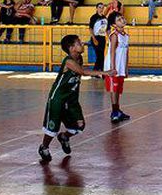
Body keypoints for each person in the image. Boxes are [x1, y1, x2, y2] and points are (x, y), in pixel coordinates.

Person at [38, 34, 113, 163]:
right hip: (58, 99)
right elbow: (82, 72)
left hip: (71, 99)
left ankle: (64, 137)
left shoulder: (79, 58)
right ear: (71, 48)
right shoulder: (69, 61)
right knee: (52, 128)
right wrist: (105, 72)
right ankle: (44, 147)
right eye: (79, 43)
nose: (82, 44)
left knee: (80, 125)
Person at [104, 12, 130, 123]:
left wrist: (126, 67)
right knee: (113, 89)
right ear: (114, 25)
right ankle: (114, 112)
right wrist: (112, 68)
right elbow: (112, 52)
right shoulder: (114, 35)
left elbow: (127, 52)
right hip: (113, 66)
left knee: (118, 89)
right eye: (119, 19)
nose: (122, 20)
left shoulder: (126, 35)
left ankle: (118, 110)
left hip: (121, 66)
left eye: (122, 18)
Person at [88, 3, 108, 71]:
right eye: (99, 7)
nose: (101, 9)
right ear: (96, 8)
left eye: (102, 7)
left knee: (101, 55)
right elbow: (90, 28)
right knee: (100, 55)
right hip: (96, 37)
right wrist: (94, 38)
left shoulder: (105, 18)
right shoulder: (94, 17)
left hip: (103, 38)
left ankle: (97, 71)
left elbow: (107, 29)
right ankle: (100, 71)